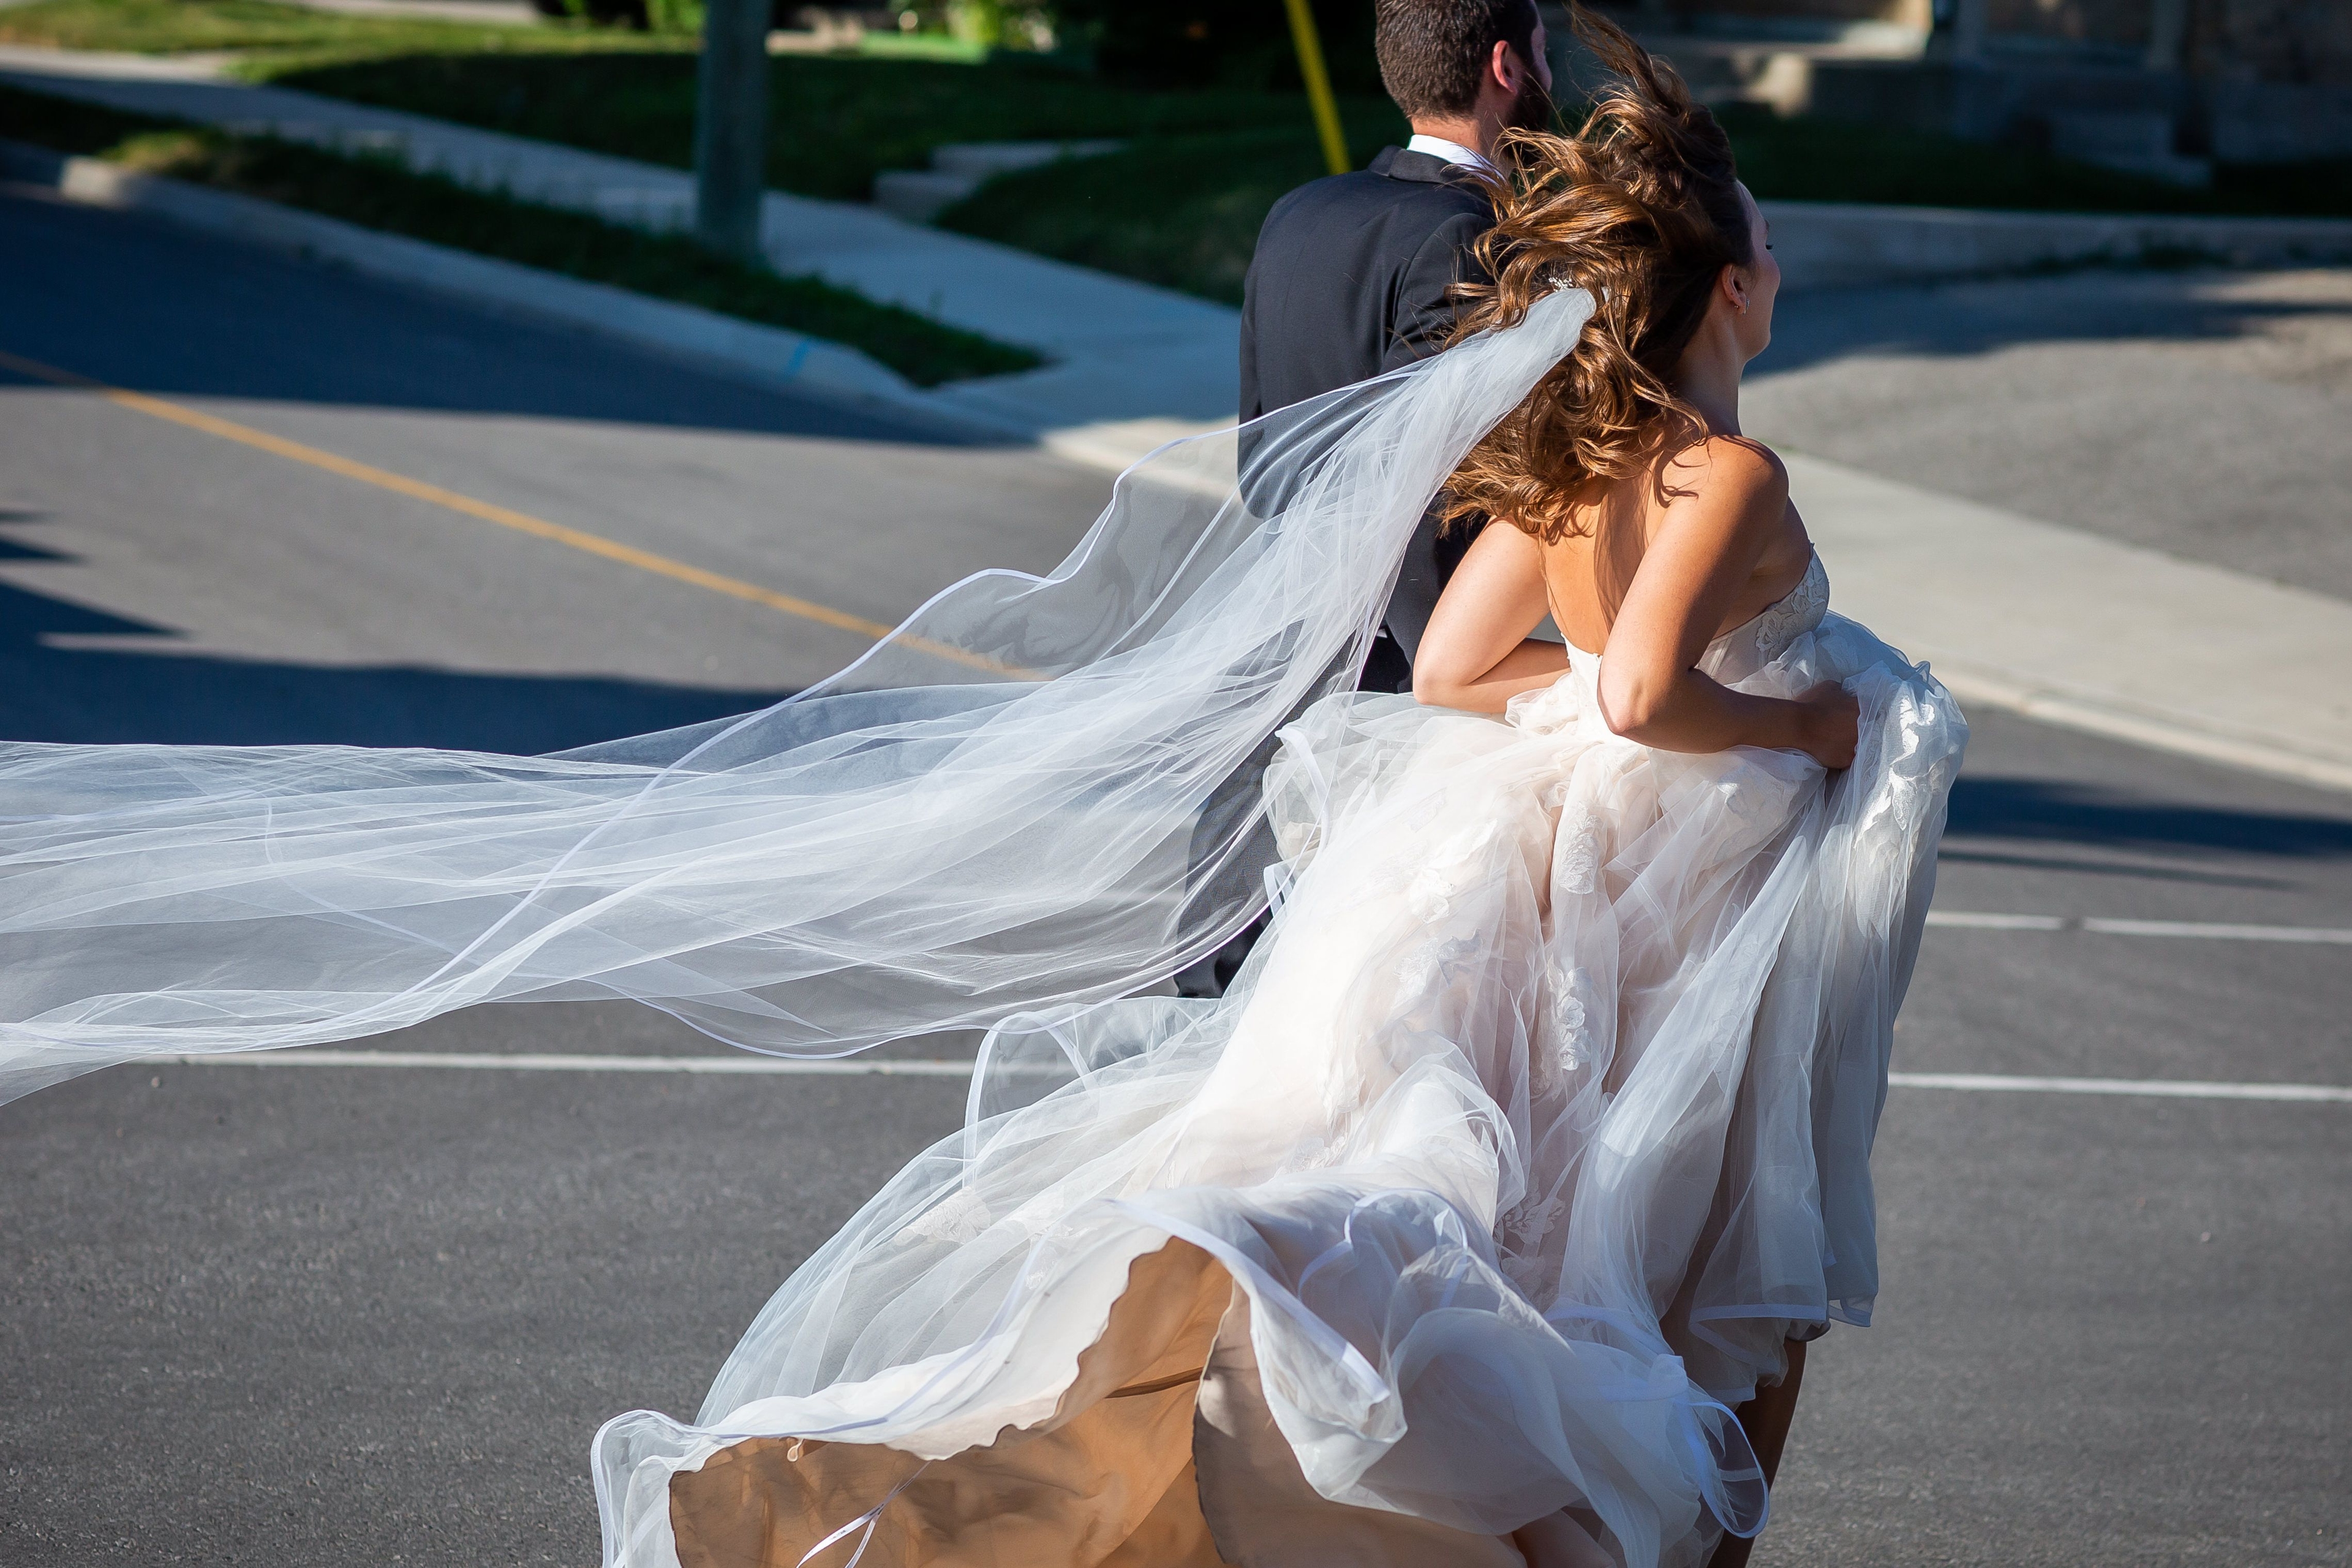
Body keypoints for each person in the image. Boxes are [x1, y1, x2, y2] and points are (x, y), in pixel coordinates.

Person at [0, 12, 1963, 1567]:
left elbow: (1463, 668)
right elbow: (1632, 693)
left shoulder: (1554, 460)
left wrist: (1583, 711)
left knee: (1514, 1237)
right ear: (1722, 286)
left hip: (1522, 864)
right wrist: (1791, 734)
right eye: (1768, 242)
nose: (1778, 260)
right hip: (1663, 915)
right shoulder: (1724, 477)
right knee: (1656, 1270)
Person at [1242, 0, 1555, 694]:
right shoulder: (1471, 238)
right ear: (1505, 67)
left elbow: (1261, 462)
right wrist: (1450, 677)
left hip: (1284, 645)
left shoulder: (1297, 211)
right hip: (1396, 672)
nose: (1552, 79)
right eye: (1544, 53)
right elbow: (1413, 494)